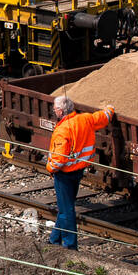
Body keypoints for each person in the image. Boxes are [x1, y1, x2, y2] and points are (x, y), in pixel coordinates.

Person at [46, 94, 115, 250]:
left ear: (61, 111)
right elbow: (103, 117)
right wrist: (110, 109)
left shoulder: (63, 130)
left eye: (55, 109)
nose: (54, 111)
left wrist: (50, 169)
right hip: (78, 170)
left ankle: (70, 246)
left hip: (64, 174)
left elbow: (58, 160)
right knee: (66, 207)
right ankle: (54, 240)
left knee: (66, 210)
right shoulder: (85, 119)